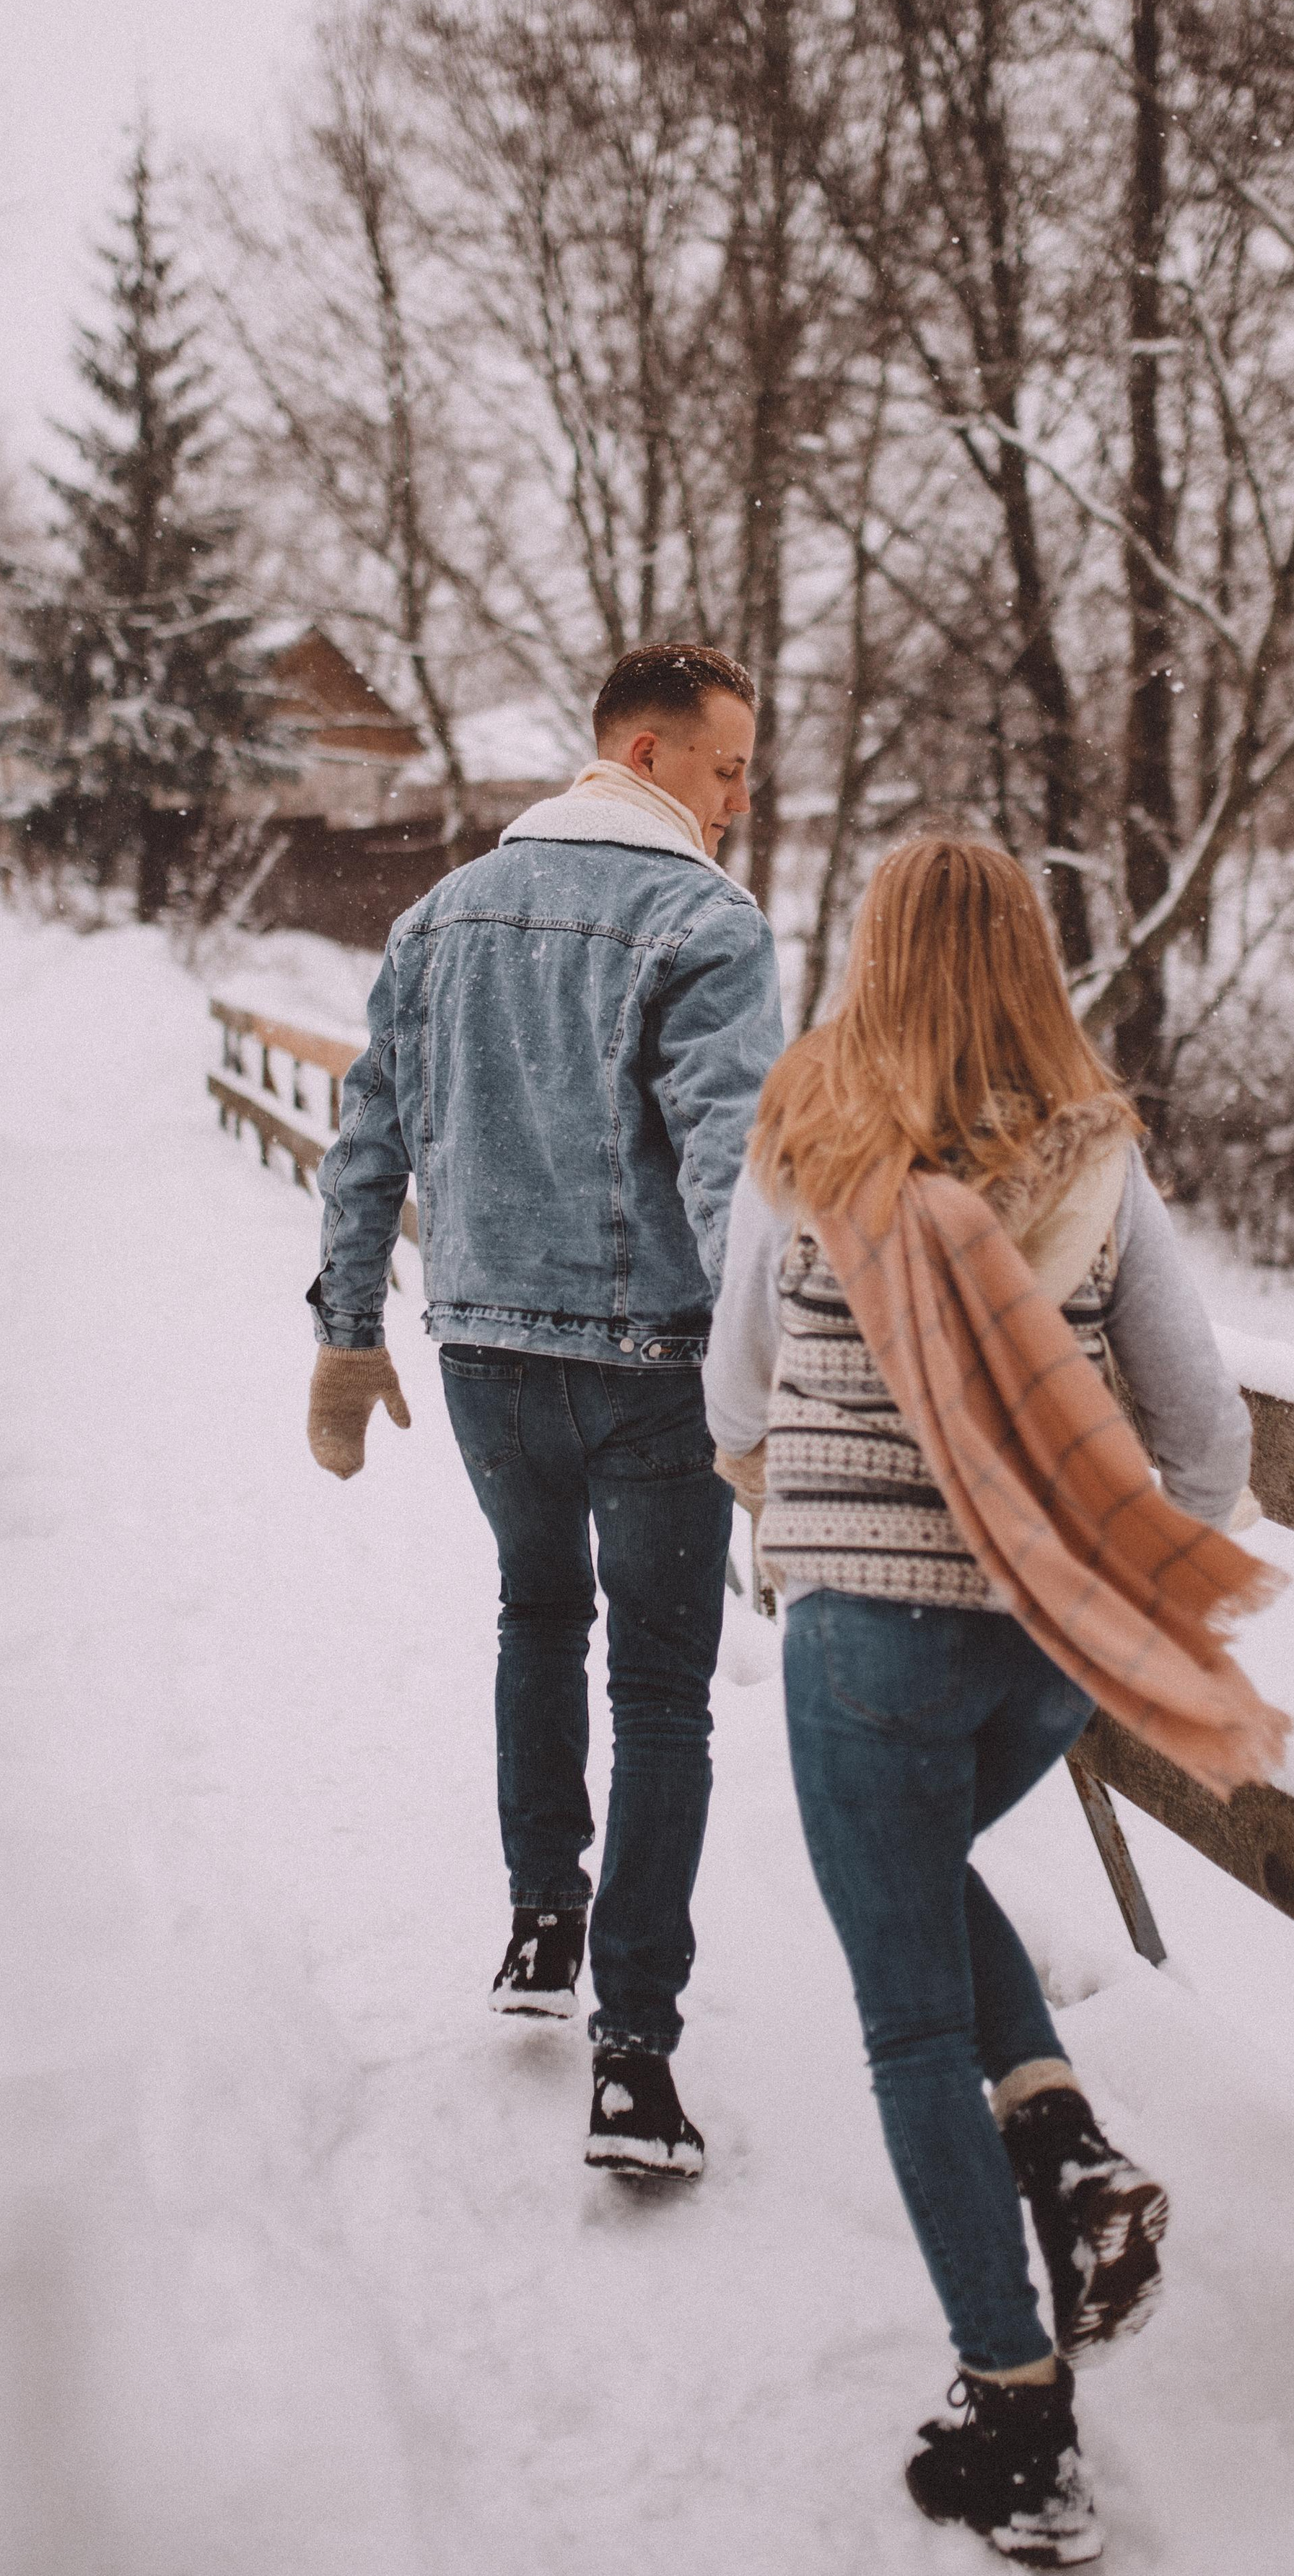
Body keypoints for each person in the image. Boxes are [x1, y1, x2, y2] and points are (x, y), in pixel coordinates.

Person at [704, 837, 1288, 2568]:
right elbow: (1206, 1441)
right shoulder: (1094, 1151)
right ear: (1028, 958)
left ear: (873, 952)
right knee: (918, 1884)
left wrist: (782, 1476)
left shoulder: (806, 1133)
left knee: (903, 2014)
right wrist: (1085, 1530)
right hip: (1040, 1643)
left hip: (862, 1636)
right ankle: (1070, 2146)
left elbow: (734, 1369)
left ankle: (1015, 2416)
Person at [305, 642, 784, 2181]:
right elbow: (731, 1168)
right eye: (725, 768)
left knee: (533, 1613)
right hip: (655, 1368)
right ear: (644, 755)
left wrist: (344, 1331)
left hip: (486, 1357)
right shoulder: (706, 922)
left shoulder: (441, 914)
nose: (740, 799)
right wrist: (772, 1389)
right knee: (660, 1689)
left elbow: (364, 1132)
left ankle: (538, 1922)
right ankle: (632, 2052)